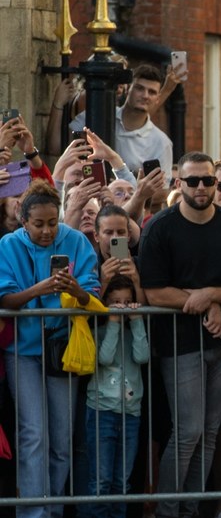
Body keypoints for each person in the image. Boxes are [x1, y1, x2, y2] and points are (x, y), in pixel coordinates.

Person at [139, 153, 221, 518]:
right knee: (187, 431)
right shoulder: (160, 227)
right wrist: (207, 301)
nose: (203, 188)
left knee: (208, 432)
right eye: (193, 182)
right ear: (180, 185)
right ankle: (168, 511)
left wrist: (213, 297)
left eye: (209, 181)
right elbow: (155, 292)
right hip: (180, 345)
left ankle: (190, 510)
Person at [1, 182, 100, 518]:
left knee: (61, 438)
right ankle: (33, 513)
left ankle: (53, 510)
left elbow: (93, 296)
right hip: (23, 351)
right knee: (33, 434)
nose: (47, 231)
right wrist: (40, 289)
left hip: (63, 349)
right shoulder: (7, 244)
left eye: (52, 223)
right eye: (39, 224)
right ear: (22, 219)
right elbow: (6, 300)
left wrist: (77, 291)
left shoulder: (76, 241)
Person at [78, 274, 149, 518]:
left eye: (127, 302)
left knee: (122, 482)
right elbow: (105, 358)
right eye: (115, 302)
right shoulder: (99, 331)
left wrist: (136, 321)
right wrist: (113, 323)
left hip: (130, 413)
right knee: (101, 481)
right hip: (101, 410)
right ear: (106, 302)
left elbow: (142, 356)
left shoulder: (134, 331)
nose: (121, 306)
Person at [66, 64, 174, 183]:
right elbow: (56, 146)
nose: (145, 96)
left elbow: (162, 191)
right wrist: (58, 104)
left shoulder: (161, 142)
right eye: (139, 88)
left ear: (158, 99)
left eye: (152, 92)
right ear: (128, 88)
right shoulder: (99, 115)